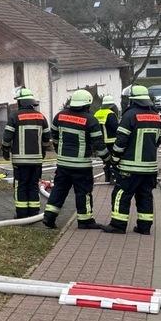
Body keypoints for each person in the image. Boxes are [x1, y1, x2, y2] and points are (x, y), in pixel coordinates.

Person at [42, 89, 111, 230]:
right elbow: (99, 144)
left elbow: (54, 136)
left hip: (63, 163)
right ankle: (85, 221)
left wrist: (58, 149)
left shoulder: (59, 116)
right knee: (83, 192)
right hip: (81, 165)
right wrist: (107, 159)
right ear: (87, 105)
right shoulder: (90, 120)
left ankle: (49, 216)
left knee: (59, 190)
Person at [100, 85, 161, 235]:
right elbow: (159, 141)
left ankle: (118, 225)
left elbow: (121, 141)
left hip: (130, 167)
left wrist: (114, 160)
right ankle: (144, 227)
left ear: (133, 101)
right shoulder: (157, 116)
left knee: (121, 194)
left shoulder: (129, 116)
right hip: (150, 168)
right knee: (145, 195)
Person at [1, 87, 51, 218]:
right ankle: (34, 213)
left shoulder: (14, 117)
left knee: (21, 186)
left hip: (20, 161)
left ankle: (22, 214)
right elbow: (46, 138)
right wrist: (43, 150)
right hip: (36, 160)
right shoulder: (41, 117)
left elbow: (7, 137)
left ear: (20, 103)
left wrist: (5, 150)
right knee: (34, 185)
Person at [94, 94, 120, 183]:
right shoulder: (110, 114)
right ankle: (113, 178)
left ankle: (107, 178)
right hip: (111, 141)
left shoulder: (97, 113)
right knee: (114, 160)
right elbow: (116, 127)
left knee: (105, 160)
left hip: (100, 141)